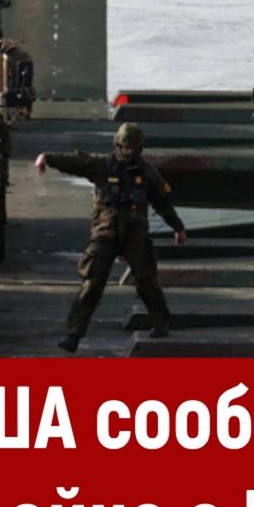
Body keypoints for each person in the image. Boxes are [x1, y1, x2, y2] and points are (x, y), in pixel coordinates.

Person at [36, 122, 186, 349]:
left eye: (133, 148)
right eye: (125, 147)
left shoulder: (147, 173)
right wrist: (47, 158)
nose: (129, 152)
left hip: (135, 235)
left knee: (146, 280)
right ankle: (73, 334)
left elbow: (163, 203)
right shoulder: (102, 166)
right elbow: (75, 162)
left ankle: (160, 321)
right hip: (106, 233)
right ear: (117, 145)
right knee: (92, 284)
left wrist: (177, 227)